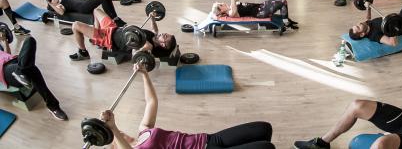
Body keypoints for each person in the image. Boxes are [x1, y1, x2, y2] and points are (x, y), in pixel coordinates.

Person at [99, 62, 275, 149]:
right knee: (267, 147)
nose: (119, 132)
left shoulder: (143, 130)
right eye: (115, 138)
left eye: (117, 132)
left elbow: (151, 102)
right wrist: (112, 127)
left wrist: (145, 75)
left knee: (264, 128)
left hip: (208, 139)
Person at [0, 34, 68, 120]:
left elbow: (7, 54)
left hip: (13, 60)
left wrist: (5, 41)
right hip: (4, 70)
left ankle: (20, 71)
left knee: (30, 40)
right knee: (32, 70)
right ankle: (53, 106)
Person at [69, 8, 176, 61]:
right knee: (96, 10)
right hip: (113, 28)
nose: (164, 34)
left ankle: (83, 52)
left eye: (165, 36)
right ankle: (95, 35)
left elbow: (136, 53)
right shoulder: (154, 37)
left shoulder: (149, 45)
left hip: (107, 37)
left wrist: (141, 51)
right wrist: (152, 18)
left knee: (75, 25)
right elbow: (155, 30)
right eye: (166, 34)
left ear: (163, 45)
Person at [211, 0, 298, 29]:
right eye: (221, 5)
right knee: (282, 1)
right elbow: (234, 7)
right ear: (221, 11)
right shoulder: (231, 13)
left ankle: (286, 20)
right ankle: (286, 23)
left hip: (261, 6)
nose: (223, 3)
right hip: (261, 12)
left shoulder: (231, 6)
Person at [43, 0, 127, 27]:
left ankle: (115, 19)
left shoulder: (63, 0)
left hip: (84, 3)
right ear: (53, 5)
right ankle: (115, 20)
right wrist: (50, 3)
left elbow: (75, 0)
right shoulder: (60, 5)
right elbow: (61, 12)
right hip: (83, 7)